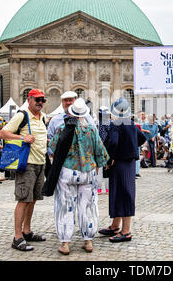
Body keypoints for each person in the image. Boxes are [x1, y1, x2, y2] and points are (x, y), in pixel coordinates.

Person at [49, 98, 109, 255]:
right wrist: (98, 165)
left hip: (67, 171)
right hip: (87, 172)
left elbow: (52, 148)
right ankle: (88, 241)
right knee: (87, 206)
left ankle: (65, 243)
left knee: (65, 206)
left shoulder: (63, 128)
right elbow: (100, 152)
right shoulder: (91, 129)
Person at [0, 89, 48, 252]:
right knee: (23, 199)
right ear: (29, 99)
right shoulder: (22, 115)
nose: (40, 102)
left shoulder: (43, 117)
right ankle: (17, 237)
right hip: (26, 164)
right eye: (37, 100)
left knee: (33, 199)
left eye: (43, 100)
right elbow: (3, 133)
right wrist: (22, 138)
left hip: (40, 163)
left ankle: (27, 231)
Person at [99, 97, 146, 243]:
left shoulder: (116, 124)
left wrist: (109, 158)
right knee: (120, 193)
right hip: (129, 163)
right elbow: (142, 138)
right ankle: (115, 225)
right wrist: (130, 147)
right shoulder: (131, 123)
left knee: (123, 194)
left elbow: (112, 142)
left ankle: (126, 231)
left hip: (119, 163)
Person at [97, 106, 111, 194]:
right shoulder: (108, 123)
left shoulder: (97, 122)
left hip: (99, 146)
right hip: (107, 147)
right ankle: (107, 189)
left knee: (99, 169)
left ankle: (99, 189)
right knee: (107, 168)